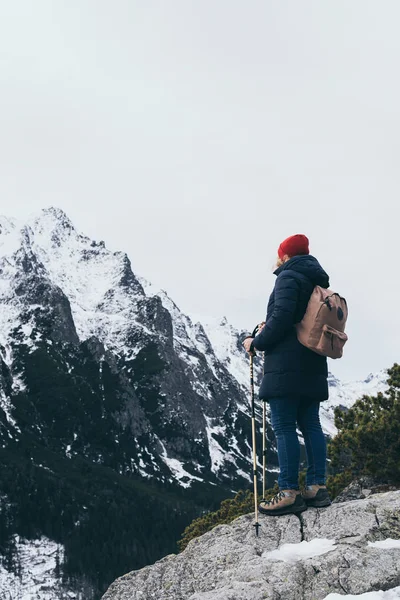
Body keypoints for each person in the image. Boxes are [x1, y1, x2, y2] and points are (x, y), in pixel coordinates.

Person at [243, 234, 331, 516]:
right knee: (311, 424)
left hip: (286, 366)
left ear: (284, 256)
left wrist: (256, 342)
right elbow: (294, 318)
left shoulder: (287, 277)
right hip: (313, 362)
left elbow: (282, 319)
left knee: (283, 427)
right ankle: (317, 488)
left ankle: (289, 491)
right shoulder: (315, 281)